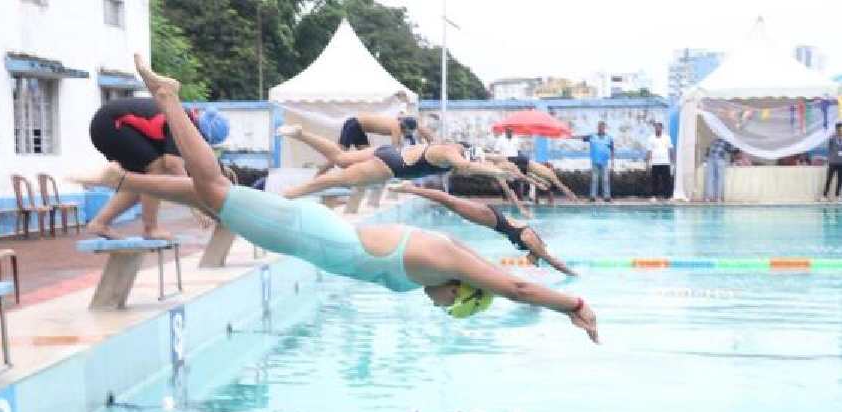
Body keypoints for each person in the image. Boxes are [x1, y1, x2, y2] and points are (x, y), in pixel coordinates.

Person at [73, 55, 599, 342]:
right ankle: (170, 99)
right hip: (306, 234)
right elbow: (512, 286)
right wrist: (571, 305)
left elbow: (499, 271)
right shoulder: (439, 261)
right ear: (460, 292)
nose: (439, 308)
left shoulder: (437, 267)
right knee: (212, 190)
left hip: (307, 233)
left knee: (210, 197)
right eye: (451, 308)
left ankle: (118, 181)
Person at [86, 97, 229, 239]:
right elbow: (173, 164)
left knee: (140, 183)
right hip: (111, 124)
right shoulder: (185, 123)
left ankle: (100, 223)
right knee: (157, 168)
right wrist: (194, 204)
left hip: (108, 125)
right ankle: (151, 228)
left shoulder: (184, 119)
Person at [389, 182, 577, 276]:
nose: (532, 261)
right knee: (449, 201)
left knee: (450, 204)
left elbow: (534, 261)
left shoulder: (532, 245)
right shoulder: (531, 241)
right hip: (491, 218)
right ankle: (410, 188)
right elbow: (553, 262)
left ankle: (411, 188)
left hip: (491, 220)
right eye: (535, 260)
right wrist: (572, 274)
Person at [276, 125, 515, 199]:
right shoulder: (453, 156)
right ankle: (287, 195)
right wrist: (497, 175)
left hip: (389, 151)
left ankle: (299, 133)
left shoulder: (453, 147)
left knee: (339, 158)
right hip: (390, 166)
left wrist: (500, 163)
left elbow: (487, 157)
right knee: (333, 180)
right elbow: (466, 166)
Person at [314, 113, 433, 175]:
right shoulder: (396, 126)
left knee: (367, 158)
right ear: (406, 128)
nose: (408, 134)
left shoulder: (401, 125)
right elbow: (395, 149)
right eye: (409, 132)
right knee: (339, 155)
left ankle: (353, 176)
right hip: (353, 124)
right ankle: (319, 174)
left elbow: (409, 141)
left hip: (359, 127)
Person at [574, 121, 614, 202]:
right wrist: (571, 136)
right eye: (599, 127)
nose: (601, 128)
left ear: (604, 128)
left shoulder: (609, 138)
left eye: (602, 127)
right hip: (595, 161)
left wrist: (613, 161)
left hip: (604, 162)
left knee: (605, 180)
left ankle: (607, 197)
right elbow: (582, 137)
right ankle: (593, 197)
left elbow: (612, 149)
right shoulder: (592, 136)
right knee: (594, 179)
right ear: (598, 128)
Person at [646, 122, 674, 202]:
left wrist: (673, 161)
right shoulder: (651, 138)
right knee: (655, 180)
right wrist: (647, 162)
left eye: (659, 127)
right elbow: (649, 150)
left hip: (665, 162)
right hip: (655, 162)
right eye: (656, 127)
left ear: (662, 128)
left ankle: (668, 196)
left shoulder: (667, 138)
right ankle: (654, 195)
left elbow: (670, 149)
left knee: (667, 180)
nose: (657, 129)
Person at [704, 137, 734, 202]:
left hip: (713, 158)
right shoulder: (724, 140)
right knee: (717, 178)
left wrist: (705, 159)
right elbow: (731, 150)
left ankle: (711, 197)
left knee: (711, 178)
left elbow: (709, 150)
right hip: (717, 159)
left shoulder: (717, 140)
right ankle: (715, 197)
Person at [823, 121, 842, 201]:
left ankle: (837, 196)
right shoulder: (832, 138)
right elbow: (828, 148)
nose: (840, 131)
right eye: (839, 129)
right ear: (836, 129)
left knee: (840, 180)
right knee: (829, 179)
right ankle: (824, 195)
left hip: (841, 162)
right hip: (832, 162)